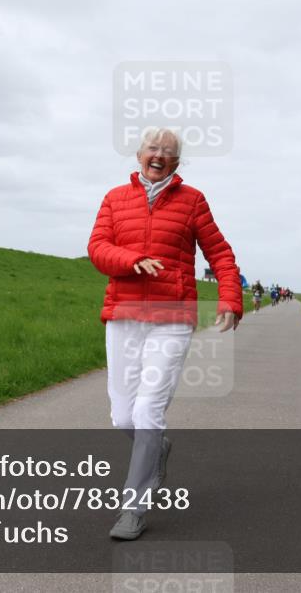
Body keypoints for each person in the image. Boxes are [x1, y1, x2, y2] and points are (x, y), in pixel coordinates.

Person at [87, 127, 243, 540]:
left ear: (177, 162)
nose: (159, 156)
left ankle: (132, 510)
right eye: (153, 149)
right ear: (139, 154)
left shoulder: (193, 202)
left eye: (168, 152)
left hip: (172, 318)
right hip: (123, 315)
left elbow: (221, 254)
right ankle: (157, 448)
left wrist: (230, 298)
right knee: (122, 415)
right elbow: (98, 248)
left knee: (146, 412)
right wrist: (132, 258)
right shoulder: (114, 199)